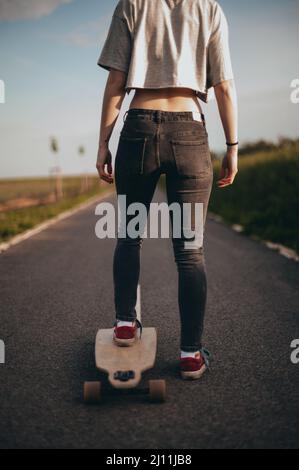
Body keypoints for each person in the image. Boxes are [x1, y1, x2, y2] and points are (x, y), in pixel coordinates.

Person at [96, 0, 238, 380]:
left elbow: (115, 80)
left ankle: (125, 324)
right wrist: (233, 147)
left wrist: (103, 143)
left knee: (128, 235)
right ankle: (191, 354)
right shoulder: (209, 9)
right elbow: (224, 84)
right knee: (190, 252)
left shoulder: (132, 4)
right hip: (189, 131)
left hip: (139, 126)